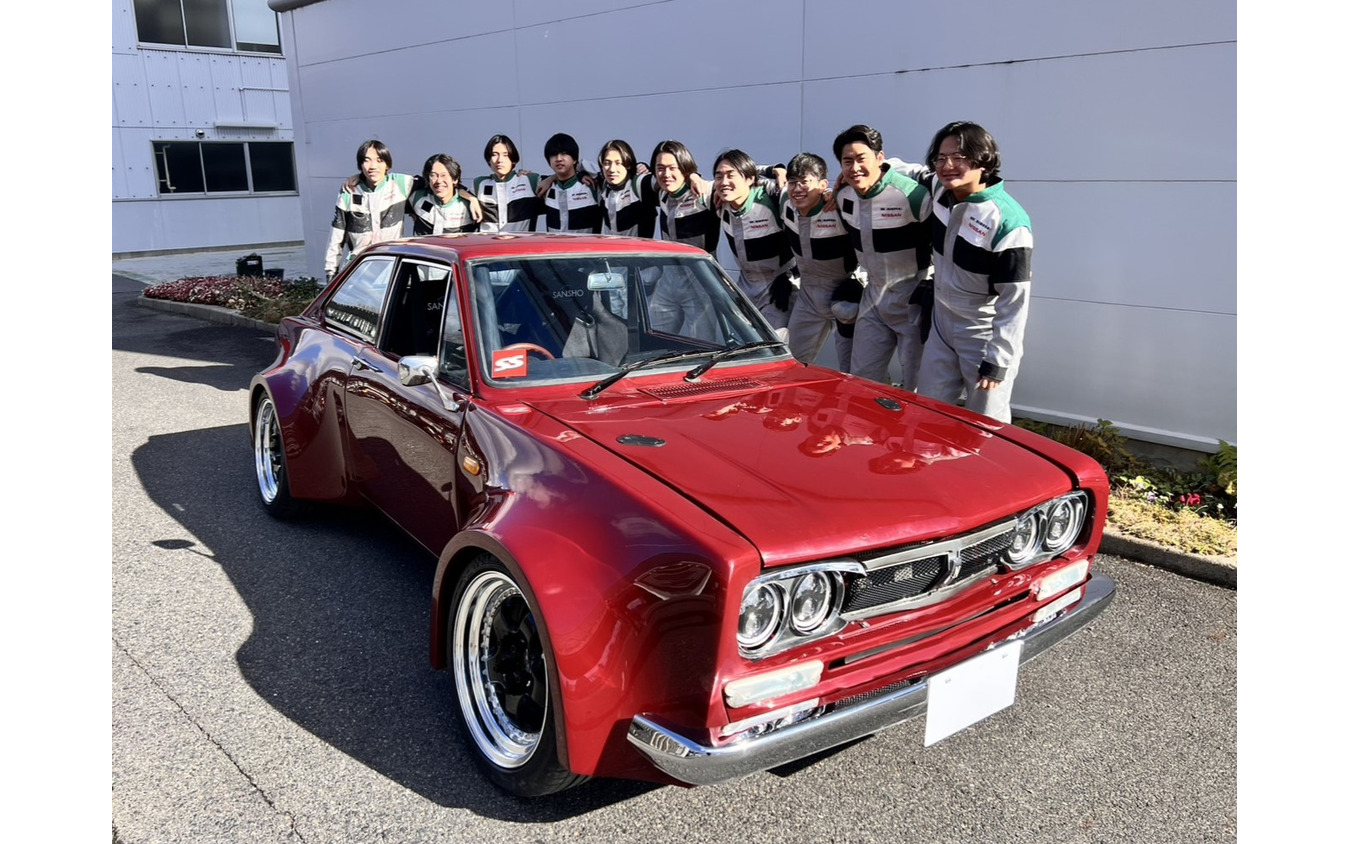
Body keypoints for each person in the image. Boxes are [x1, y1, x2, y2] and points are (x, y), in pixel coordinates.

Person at [886, 122, 1033, 423]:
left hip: (981, 332)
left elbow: (1014, 302)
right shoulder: (940, 189)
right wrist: (867, 169)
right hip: (941, 325)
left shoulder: (1007, 220)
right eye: (941, 158)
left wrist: (998, 360)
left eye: (959, 157)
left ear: (984, 160)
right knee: (928, 415)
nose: (948, 165)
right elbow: (902, 168)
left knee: (986, 426)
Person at [831, 124, 933, 389]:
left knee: (916, 382)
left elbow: (941, 242)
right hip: (873, 296)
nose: (854, 168)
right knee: (862, 378)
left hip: (912, 298)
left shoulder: (912, 195)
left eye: (861, 159)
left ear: (879, 158)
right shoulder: (842, 196)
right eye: (847, 161)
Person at [780, 152, 860, 370]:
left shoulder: (840, 206)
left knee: (853, 369)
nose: (797, 189)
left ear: (823, 184)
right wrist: (774, 170)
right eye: (792, 182)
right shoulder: (784, 202)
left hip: (843, 297)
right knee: (792, 364)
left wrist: (845, 182)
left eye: (804, 182)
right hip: (807, 297)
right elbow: (748, 176)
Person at [712, 149, 797, 336]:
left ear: (750, 179)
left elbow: (811, 195)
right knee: (741, 346)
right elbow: (680, 181)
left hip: (779, 284)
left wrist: (777, 169)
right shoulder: (718, 197)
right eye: (719, 176)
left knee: (775, 347)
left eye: (730, 175)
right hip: (745, 285)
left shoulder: (772, 195)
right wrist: (694, 176)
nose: (724, 182)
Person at [647, 140, 719, 337]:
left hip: (700, 282)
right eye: (660, 168)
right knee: (654, 342)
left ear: (685, 167)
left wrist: (777, 170)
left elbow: (739, 175)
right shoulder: (660, 193)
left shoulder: (704, 193)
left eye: (672, 168)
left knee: (703, 345)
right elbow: (618, 177)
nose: (666, 174)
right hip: (667, 281)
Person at [324, 139, 414, 280]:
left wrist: (461, 190)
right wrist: (331, 272)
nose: (373, 166)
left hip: (392, 269)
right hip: (358, 270)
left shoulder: (401, 184)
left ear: (387, 165)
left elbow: (433, 184)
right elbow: (336, 239)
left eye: (379, 160)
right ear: (360, 165)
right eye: (367, 160)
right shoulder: (348, 192)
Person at [536, 132, 602, 233]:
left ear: (575, 159)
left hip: (587, 248)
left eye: (564, 153)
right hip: (555, 248)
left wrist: (580, 173)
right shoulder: (545, 186)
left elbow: (608, 174)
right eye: (554, 155)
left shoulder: (591, 184)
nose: (558, 159)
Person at [474, 134, 541, 232]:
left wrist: (551, 178)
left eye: (505, 155)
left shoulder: (530, 180)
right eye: (494, 154)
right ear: (488, 159)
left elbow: (562, 179)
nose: (500, 160)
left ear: (513, 158)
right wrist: (471, 198)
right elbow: (454, 191)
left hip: (520, 245)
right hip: (488, 246)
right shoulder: (480, 184)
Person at [596, 139, 659, 238]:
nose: (612, 169)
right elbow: (577, 165)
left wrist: (692, 177)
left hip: (638, 252)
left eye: (618, 163)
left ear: (628, 164)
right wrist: (581, 175)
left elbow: (668, 178)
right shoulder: (603, 182)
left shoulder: (640, 183)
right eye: (607, 163)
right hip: (610, 252)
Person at [407, 154, 479, 235]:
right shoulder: (416, 196)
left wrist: (472, 199)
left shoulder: (469, 205)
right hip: (423, 247)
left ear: (455, 179)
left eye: (443, 175)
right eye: (433, 175)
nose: (439, 181)